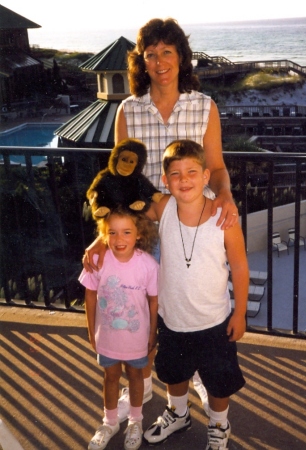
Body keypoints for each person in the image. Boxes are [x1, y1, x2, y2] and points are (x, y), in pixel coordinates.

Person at [83, 17, 239, 422]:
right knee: (143, 309)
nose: (159, 60)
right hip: (144, 228)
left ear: (181, 57)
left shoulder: (204, 106)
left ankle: (195, 372)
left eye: (167, 51)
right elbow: (119, 180)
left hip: (193, 224)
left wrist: (225, 197)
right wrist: (104, 236)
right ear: (143, 62)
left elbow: (217, 168)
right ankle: (146, 380)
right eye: (151, 54)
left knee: (191, 303)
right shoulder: (128, 111)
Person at [143, 139, 249, 449]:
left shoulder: (224, 217)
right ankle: (178, 414)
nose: (184, 179)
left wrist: (239, 314)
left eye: (192, 171)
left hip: (214, 322)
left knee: (219, 382)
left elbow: (240, 268)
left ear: (205, 176)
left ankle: (219, 425)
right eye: (175, 174)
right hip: (173, 319)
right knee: (173, 373)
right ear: (165, 181)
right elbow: (125, 211)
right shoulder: (162, 207)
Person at [79, 207, 159, 450]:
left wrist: (152, 333)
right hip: (108, 338)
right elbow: (90, 296)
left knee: (136, 377)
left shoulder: (148, 265)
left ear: (138, 235)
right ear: (104, 235)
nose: (119, 239)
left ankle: (135, 421)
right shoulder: (97, 261)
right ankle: (110, 422)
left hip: (137, 339)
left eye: (126, 232)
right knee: (111, 377)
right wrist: (92, 332)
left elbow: (154, 300)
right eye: (112, 232)